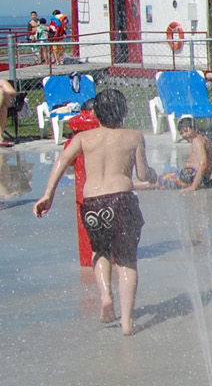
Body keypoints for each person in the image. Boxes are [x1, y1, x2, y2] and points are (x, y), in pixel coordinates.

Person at [33, 89, 157, 335]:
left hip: (92, 203)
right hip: (121, 200)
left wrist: (48, 194)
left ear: (95, 114)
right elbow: (142, 176)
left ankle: (105, 297)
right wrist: (152, 174)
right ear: (125, 112)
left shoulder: (84, 138)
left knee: (100, 251)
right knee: (127, 261)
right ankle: (127, 322)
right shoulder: (133, 136)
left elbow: (61, 161)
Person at [157, 118, 212, 190]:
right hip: (203, 179)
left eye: (186, 131)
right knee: (162, 179)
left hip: (191, 177)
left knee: (157, 182)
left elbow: (203, 163)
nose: (184, 135)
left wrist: (193, 186)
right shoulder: (206, 140)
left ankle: (142, 185)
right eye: (181, 133)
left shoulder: (196, 140)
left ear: (195, 129)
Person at [0, 78, 16, 146]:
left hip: (9, 101)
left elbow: (13, 93)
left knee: (1, 92)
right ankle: (0, 137)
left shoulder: (1, 81)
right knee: (3, 109)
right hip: (3, 106)